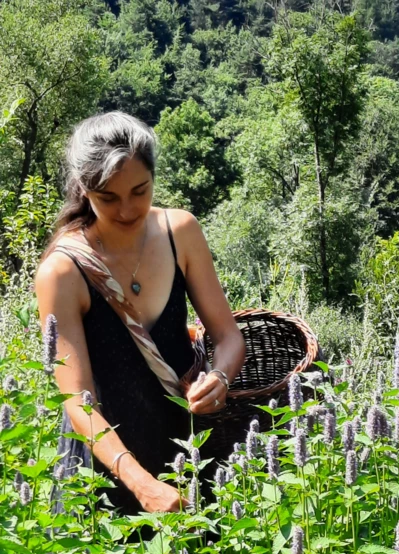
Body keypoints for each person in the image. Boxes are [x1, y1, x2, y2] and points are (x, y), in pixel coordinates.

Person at [35, 111, 246, 516]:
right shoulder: (63, 272)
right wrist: (142, 484)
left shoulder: (180, 232)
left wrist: (220, 377)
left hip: (188, 446)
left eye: (140, 190)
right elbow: (77, 402)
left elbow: (228, 335)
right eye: (108, 198)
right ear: (84, 188)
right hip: (108, 466)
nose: (128, 209)